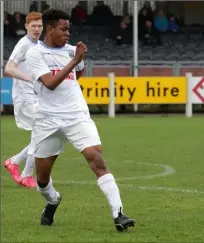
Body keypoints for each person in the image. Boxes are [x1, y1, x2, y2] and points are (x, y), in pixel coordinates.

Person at [25, 9, 135, 232]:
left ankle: (119, 213)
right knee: (42, 180)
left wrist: (75, 62)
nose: (68, 34)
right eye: (63, 29)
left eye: (69, 29)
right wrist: (74, 61)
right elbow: (50, 83)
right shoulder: (35, 54)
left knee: (96, 158)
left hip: (76, 114)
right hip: (47, 119)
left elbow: (77, 75)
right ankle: (53, 201)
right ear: (50, 28)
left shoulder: (71, 51)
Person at [3, 12, 43, 188]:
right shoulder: (24, 44)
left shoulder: (39, 44)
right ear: (26, 26)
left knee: (43, 134)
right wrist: (29, 78)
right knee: (43, 133)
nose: (37, 29)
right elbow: (9, 68)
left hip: (35, 97)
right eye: (33, 25)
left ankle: (14, 162)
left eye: (39, 26)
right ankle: (26, 174)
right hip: (25, 98)